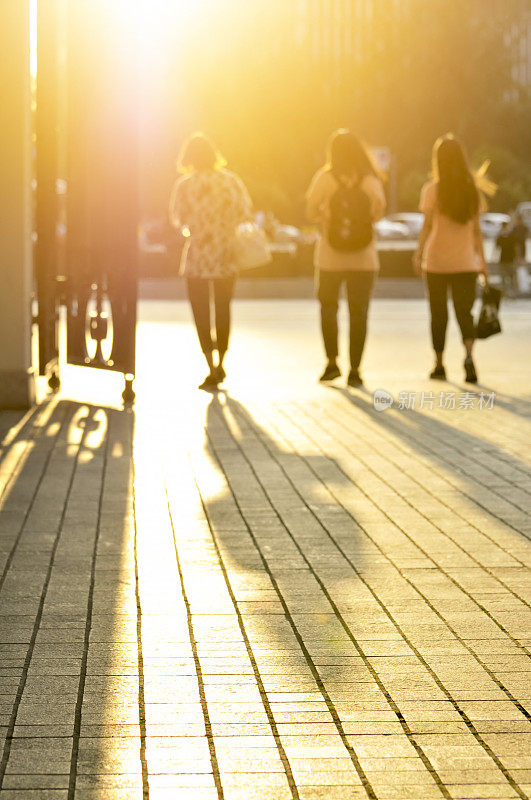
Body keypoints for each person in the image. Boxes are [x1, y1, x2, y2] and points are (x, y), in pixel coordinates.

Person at [169, 133, 252, 389]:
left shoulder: (185, 185)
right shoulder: (230, 181)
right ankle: (222, 361)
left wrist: (196, 227)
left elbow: (178, 219)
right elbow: (244, 211)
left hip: (197, 257)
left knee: (201, 311)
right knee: (223, 308)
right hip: (226, 253)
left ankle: (209, 363)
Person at [306, 129, 386, 387]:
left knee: (328, 308)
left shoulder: (325, 179)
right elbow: (378, 215)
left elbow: (309, 211)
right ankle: (355, 370)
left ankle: (332, 363)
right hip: (364, 258)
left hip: (330, 256)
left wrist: (327, 215)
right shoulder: (371, 181)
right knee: (359, 313)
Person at [413, 134, 495, 384]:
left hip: (436, 262)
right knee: (465, 313)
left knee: (438, 315)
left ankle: (439, 365)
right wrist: (482, 263)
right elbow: (477, 232)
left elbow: (427, 227)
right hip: (466, 263)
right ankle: (469, 359)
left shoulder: (432, 190)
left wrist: (418, 254)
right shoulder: (473, 191)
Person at [496, 220, 518, 296]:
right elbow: (497, 248)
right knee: (506, 278)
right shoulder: (503, 237)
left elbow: (516, 248)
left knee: (509, 278)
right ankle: (507, 293)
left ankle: (510, 293)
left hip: (509, 260)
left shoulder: (510, 237)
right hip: (505, 260)